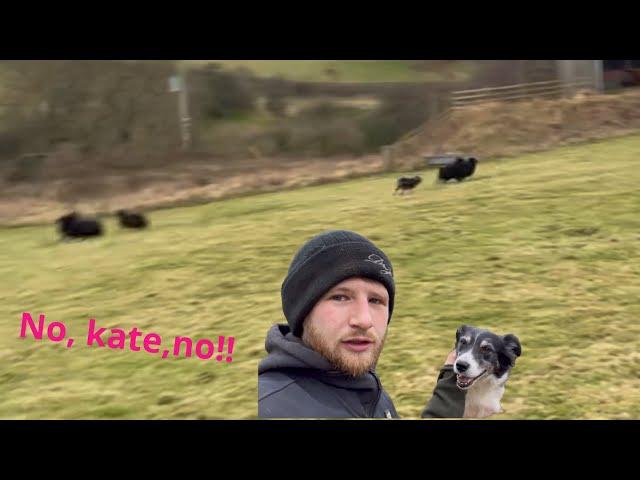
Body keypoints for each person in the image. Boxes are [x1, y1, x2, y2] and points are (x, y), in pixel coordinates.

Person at [258, 230, 465, 418]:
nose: (364, 320)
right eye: (340, 297)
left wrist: (452, 400)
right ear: (302, 311)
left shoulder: (363, 386)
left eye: (376, 300)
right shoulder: (272, 407)